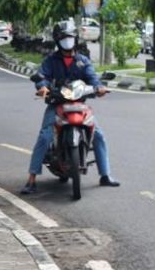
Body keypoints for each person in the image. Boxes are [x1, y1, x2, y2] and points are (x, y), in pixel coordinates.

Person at [20, 20, 120, 194]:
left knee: (99, 135)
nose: (68, 41)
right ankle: (32, 178)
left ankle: (105, 175)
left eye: (70, 37)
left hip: (79, 104)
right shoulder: (51, 60)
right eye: (64, 38)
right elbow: (42, 76)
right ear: (58, 40)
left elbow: (93, 79)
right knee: (45, 136)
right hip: (57, 104)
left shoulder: (82, 61)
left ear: (75, 39)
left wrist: (99, 88)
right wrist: (42, 87)